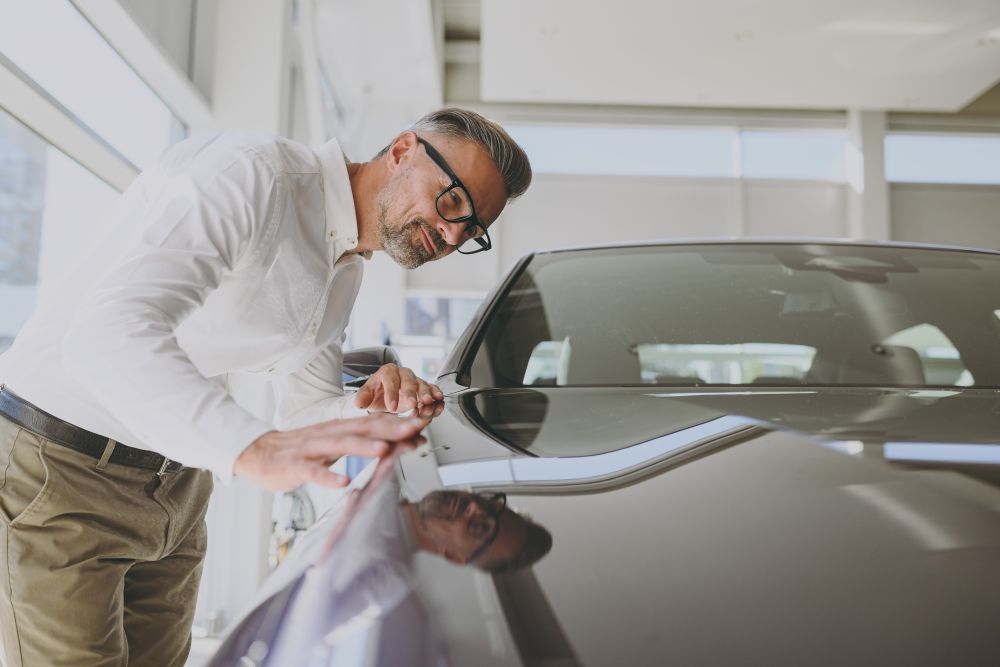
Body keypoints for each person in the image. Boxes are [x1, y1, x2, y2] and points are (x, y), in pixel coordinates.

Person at [0, 108, 532, 666]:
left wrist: (375, 407)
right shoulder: (255, 176)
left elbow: (301, 411)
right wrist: (247, 448)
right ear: (403, 150)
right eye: (452, 202)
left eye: (471, 230)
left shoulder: (347, 267)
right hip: (63, 469)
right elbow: (104, 334)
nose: (451, 233)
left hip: (177, 483)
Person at [209, 451, 552, 666]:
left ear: (454, 555)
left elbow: (301, 639)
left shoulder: (385, 581)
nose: (473, 508)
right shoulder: (390, 467)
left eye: (479, 527)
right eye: (491, 505)